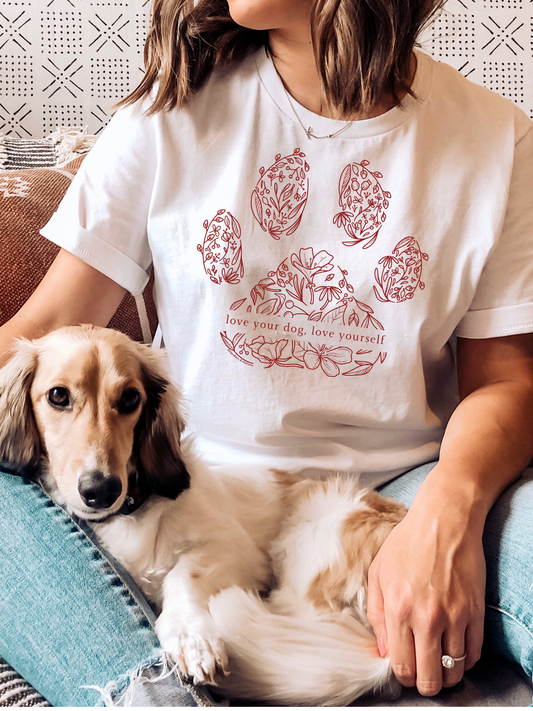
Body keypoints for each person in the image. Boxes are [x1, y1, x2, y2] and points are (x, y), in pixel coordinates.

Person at [1, 0, 533, 705]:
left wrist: (448, 513)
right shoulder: (167, 114)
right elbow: (45, 329)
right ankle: (156, 696)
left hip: (394, 492)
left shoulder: (497, 139)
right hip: (188, 485)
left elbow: (505, 382)